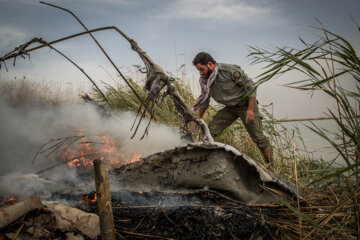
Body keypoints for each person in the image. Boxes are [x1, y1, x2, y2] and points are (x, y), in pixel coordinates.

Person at [192, 52, 273, 164]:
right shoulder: (205, 81)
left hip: (246, 105)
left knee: (259, 138)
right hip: (230, 108)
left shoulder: (229, 70)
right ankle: (207, 162)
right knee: (209, 132)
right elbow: (205, 100)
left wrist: (250, 109)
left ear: (210, 64)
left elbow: (251, 87)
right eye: (198, 70)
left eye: (201, 69)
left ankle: (271, 169)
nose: (200, 73)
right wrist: (198, 119)